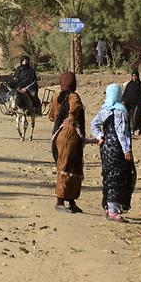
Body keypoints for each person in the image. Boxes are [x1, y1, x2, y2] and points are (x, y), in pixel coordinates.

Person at [91, 83, 136, 223]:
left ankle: (108, 206)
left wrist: (100, 136)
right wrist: (126, 149)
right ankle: (113, 211)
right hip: (117, 148)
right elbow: (122, 132)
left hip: (105, 149)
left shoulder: (104, 110)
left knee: (108, 176)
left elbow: (93, 124)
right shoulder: (120, 110)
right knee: (118, 177)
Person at [49, 71, 86, 213]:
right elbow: (76, 108)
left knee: (68, 166)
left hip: (59, 134)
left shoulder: (57, 96)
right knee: (67, 167)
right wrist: (71, 117)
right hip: (71, 135)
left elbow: (52, 116)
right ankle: (60, 202)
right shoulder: (73, 96)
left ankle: (71, 201)